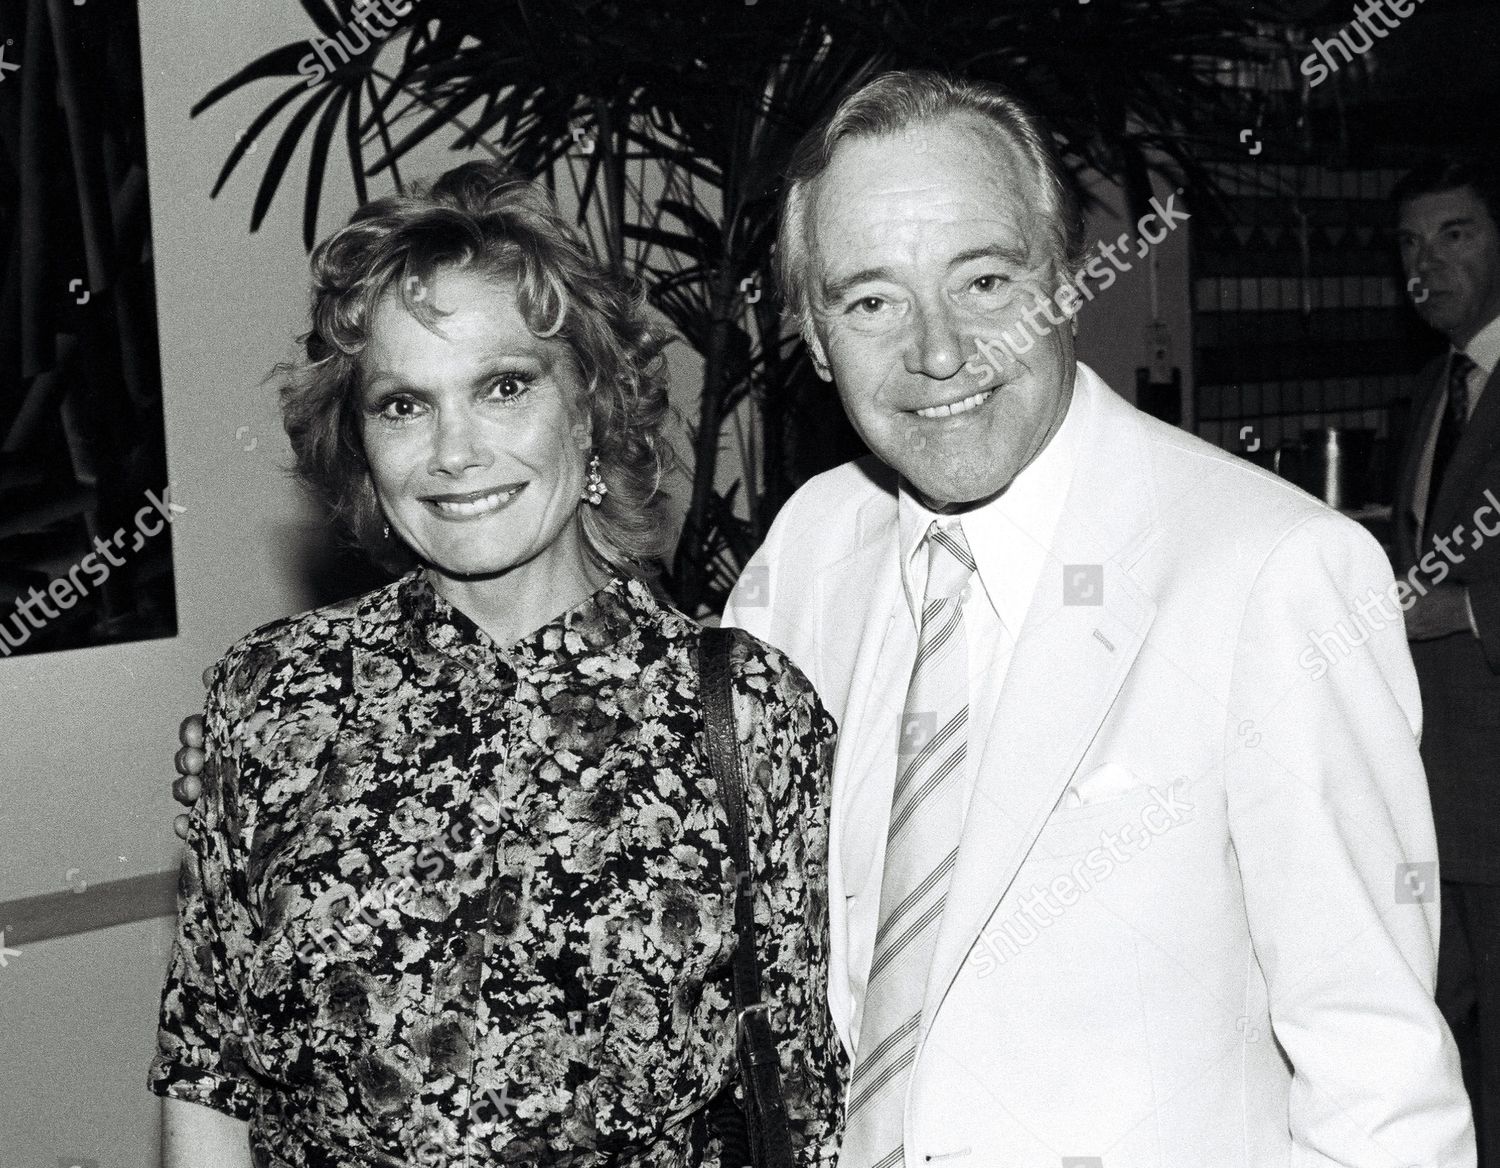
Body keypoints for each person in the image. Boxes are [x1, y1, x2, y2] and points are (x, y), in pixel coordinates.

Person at [719, 71, 1474, 1165]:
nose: (940, 351)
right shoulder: (810, 549)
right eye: (872, 301)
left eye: (985, 281)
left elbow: (1379, 1076)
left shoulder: (1270, 572)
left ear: (1068, 284)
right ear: (817, 339)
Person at [152, 162, 845, 1167]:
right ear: (362, 442)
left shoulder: (744, 711)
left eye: (504, 387)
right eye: (403, 404)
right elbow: (209, 1077)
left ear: (591, 408)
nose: (454, 451)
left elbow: (805, 1101)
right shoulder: (270, 698)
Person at [1393, 153, 1500, 1166]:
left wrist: (1465, 609)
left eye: (1455, 234)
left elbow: (1455, 592)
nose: (1426, 264)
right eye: (1411, 245)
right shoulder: (1437, 386)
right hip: (1441, 788)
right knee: (1434, 1029)